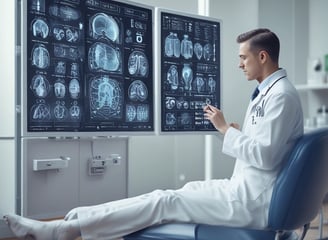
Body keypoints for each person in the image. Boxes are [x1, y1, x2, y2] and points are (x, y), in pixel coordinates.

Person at [4, 28, 303, 240]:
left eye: (243, 58)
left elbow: (266, 156)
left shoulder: (282, 96)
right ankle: (75, 218)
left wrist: (226, 129)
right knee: (181, 192)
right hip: (246, 189)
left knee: (164, 201)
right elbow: (266, 146)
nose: (239, 64)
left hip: (252, 202)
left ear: (262, 56)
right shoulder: (270, 93)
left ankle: (63, 231)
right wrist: (237, 133)